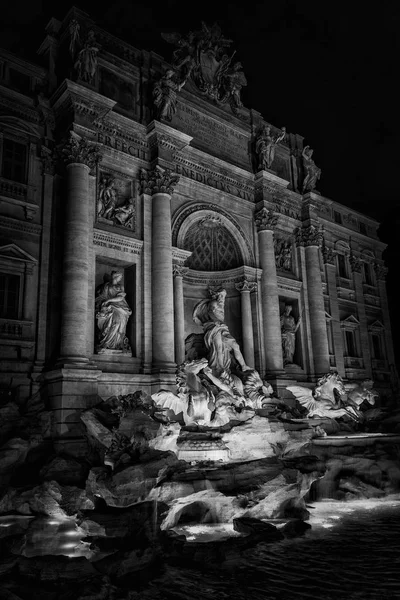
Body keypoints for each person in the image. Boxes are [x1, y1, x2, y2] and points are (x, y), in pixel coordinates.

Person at [193, 289, 250, 378]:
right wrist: (216, 322)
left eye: (224, 296)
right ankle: (219, 368)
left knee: (235, 345)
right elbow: (211, 313)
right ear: (218, 295)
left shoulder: (221, 304)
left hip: (222, 327)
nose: (223, 298)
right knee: (218, 347)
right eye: (222, 295)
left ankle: (243, 366)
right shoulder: (214, 303)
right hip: (214, 327)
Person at [95, 271, 132, 353]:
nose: (121, 279)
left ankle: (118, 344)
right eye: (120, 277)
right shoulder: (106, 286)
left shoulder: (120, 286)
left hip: (121, 308)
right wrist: (103, 303)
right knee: (113, 324)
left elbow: (120, 298)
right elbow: (102, 297)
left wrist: (109, 300)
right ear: (116, 277)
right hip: (110, 308)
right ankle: (107, 344)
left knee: (119, 324)